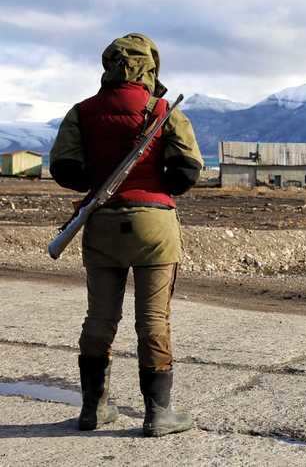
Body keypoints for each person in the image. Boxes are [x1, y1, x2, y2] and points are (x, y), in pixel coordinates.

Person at [49, 33, 204, 437]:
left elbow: (65, 170)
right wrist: (154, 183)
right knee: (153, 318)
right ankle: (158, 414)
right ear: (150, 66)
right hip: (154, 225)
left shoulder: (82, 112)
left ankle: (92, 409)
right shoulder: (163, 110)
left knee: (100, 317)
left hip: (100, 222)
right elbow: (188, 171)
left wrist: (102, 183)